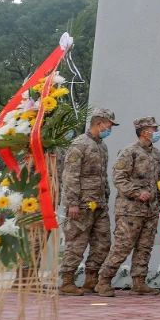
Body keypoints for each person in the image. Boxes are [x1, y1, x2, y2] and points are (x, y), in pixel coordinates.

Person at [95, 116, 160, 296]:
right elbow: (119, 178)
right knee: (123, 245)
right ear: (143, 132)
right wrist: (136, 192)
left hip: (150, 209)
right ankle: (103, 280)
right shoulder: (129, 152)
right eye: (153, 129)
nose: (156, 132)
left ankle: (139, 282)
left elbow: (159, 180)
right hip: (130, 210)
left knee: (145, 246)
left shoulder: (155, 153)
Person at [59, 107, 117, 296]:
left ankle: (91, 279)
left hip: (99, 204)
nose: (110, 129)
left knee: (103, 242)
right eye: (109, 125)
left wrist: (105, 197)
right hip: (81, 204)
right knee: (77, 243)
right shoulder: (79, 144)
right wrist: (72, 203)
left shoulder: (102, 146)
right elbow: (70, 176)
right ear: (99, 124)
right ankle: (67, 281)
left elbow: (101, 176)